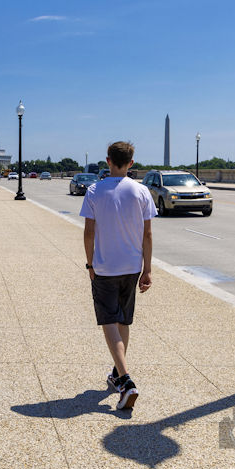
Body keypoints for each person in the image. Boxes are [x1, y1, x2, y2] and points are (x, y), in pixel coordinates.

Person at [79, 141, 156, 409]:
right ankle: (116, 372)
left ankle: (125, 381)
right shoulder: (142, 191)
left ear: (108, 160)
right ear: (131, 163)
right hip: (132, 266)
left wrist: (90, 264)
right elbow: (147, 234)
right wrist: (147, 269)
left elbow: (89, 232)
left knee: (109, 321)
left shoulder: (94, 190)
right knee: (123, 319)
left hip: (105, 266)